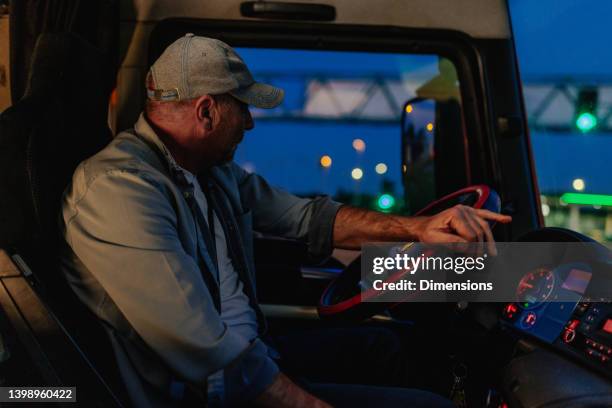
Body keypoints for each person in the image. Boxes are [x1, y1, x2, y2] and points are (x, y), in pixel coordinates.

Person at [60, 34, 511, 408]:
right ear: (206, 112)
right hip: (206, 393)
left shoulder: (208, 172)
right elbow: (207, 352)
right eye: (243, 108)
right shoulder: (120, 190)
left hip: (253, 356)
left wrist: (418, 228)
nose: (251, 124)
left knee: (387, 347)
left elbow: (308, 218)